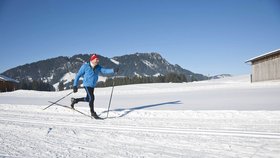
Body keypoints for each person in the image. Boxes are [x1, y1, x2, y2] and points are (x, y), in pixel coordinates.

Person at [71, 54, 119, 119]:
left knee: (88, 99)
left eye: (98, 59)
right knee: (92, 98)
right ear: (92, 59)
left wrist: (113, 70)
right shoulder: (85, 66)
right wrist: (75, 85)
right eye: (96, 59)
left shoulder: (98, 67)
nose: (97, 61)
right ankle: (92, 112)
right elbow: (78, 75)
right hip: (87, 85)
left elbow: (104, 71)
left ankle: (75, 100)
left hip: (92, 85)